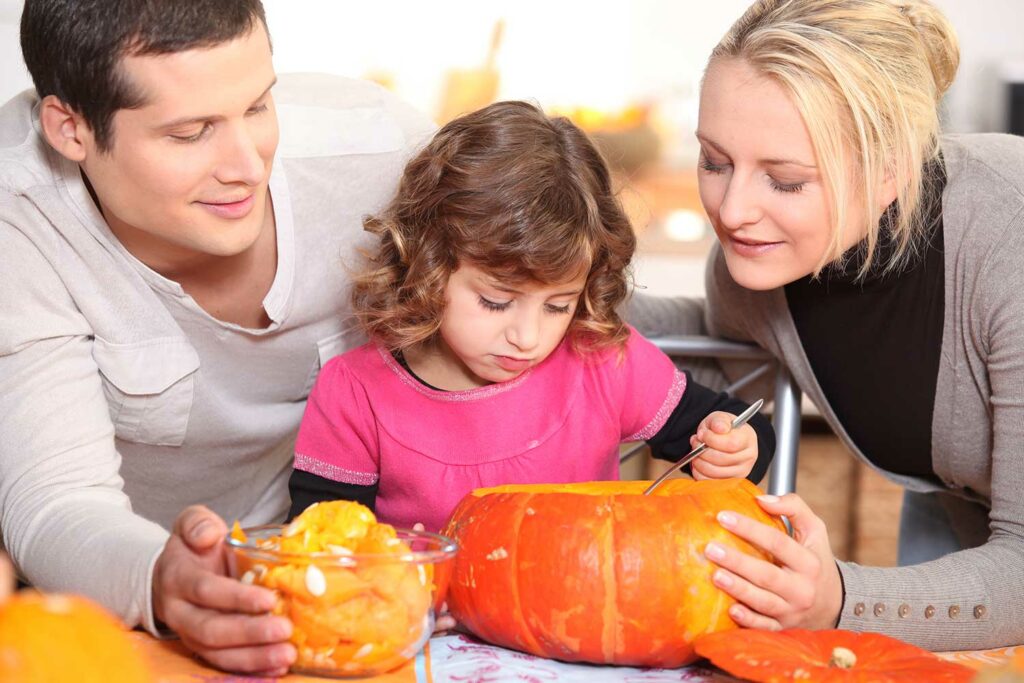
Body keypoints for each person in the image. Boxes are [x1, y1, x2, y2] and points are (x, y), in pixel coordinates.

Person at [1, 0, 434, 675]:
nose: (247, 165)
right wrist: (161, 580)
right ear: (70, 128)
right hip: (119, 619)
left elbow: (561, 300)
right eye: (190, 132)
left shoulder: (388, 152)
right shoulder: (15, 216)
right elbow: (55, 500)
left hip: (357, 606)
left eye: (258, 106)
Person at [690, 0, 1024, 651]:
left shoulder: (1009, 233)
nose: (732, 211)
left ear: (889, 172)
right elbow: (713, 346)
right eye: (714, 161)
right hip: (963, 527)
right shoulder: (749, 271)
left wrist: (842, 596)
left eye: (784, 181)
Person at [287, 101, 776, 533]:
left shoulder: (601, 361)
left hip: (581, 619)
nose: (527, 337)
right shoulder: (355, 393)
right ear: (427, 265)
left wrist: (735, 448)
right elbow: (324, 546)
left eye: (557, 306)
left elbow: (732, 427)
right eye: (496, 302)